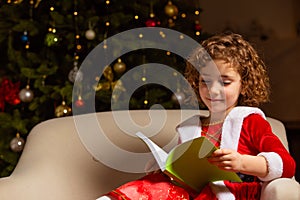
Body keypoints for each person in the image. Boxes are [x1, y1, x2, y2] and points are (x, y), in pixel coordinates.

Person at [97, 32, 296, 200]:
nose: (213, 90)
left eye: (225, 83)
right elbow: (184, 169)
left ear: (244, 84)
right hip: (191, 193)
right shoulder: (192, 127)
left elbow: (286, 165)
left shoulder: (250, 121)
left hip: (229, 193)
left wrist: (242, 163)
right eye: (205, 82)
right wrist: (166, 167)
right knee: (154, 183)